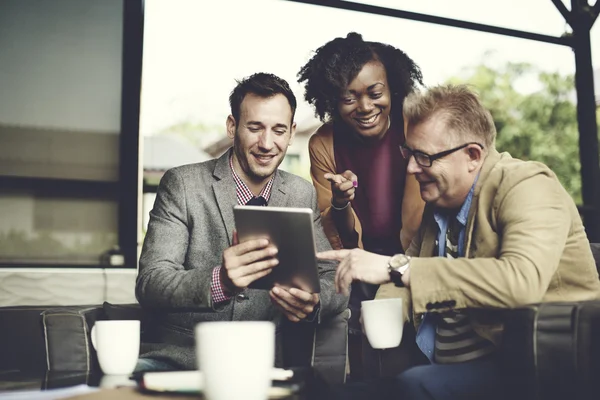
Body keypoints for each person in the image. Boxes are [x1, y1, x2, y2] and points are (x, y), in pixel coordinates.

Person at [317, 84, 600, 399]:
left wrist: (397, 267)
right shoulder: (439, 203)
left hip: (535, 368)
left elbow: (523, 281)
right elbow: (401, 276)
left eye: (424, 157)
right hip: (442, 366)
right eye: (408, 153)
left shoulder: (528, 185)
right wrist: (381, 312)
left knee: (413, 386)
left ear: (473, 156)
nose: (411, 168)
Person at [135, 72, 348, 372]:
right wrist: (220, 281)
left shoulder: (301, 193)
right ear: (232, 127)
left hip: (261, 366)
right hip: (179, 362)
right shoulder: (183, 183)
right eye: (255, 127)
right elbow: (150, 283)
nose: (266, 143)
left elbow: (335, 278)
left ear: (291, 133)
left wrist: (313, 300)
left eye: (278, 130)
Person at [297, 32, 426, 379]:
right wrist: (340, 203)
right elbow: (337, 235)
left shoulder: (416, 126)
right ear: (331, 100)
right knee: (366, 370)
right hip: (359, 267)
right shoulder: (323, 143)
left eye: (375, 93)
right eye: (348, 97)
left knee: (412, 365)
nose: (365, 107)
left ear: (393, 88)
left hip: (417, 262)